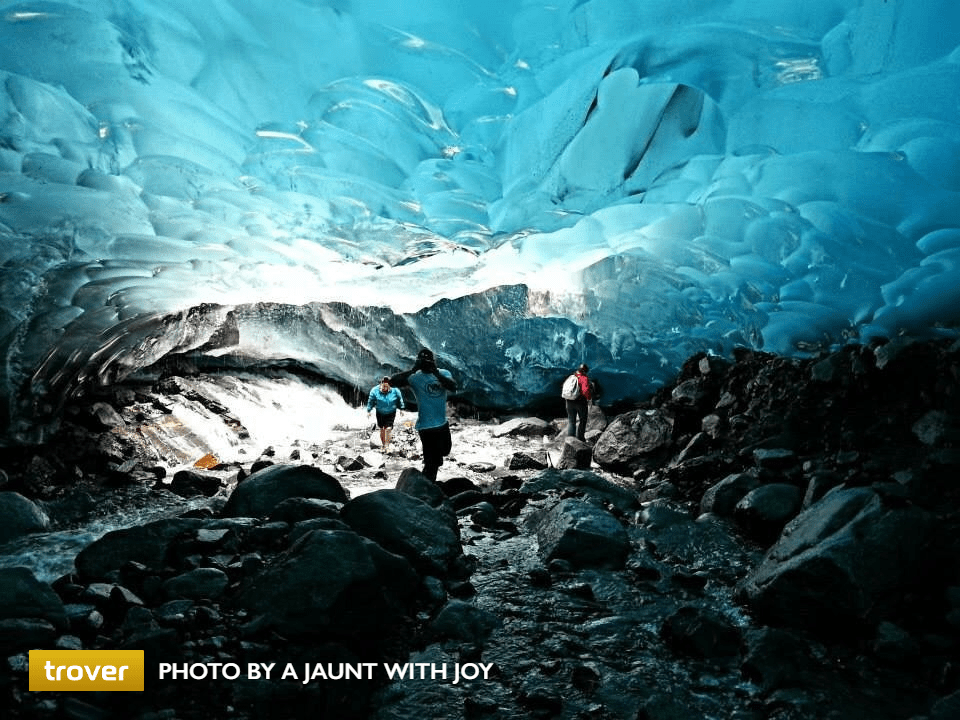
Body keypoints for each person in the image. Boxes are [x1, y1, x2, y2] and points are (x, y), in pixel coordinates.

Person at [390, 348, 457, 481]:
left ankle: (424, 484)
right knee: (433, 462)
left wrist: (435, 372)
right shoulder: (415, 377)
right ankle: (426, 487)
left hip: (442, 424)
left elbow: (453, 387)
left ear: (433, 361)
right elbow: (392, 382)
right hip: (426, 427)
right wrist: (413, 369)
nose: (426, 363)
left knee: (445, 451)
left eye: (428, 360)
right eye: (423, 361)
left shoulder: (443, 373)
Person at [366, 376, 405, 454]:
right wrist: (369, 410)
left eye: (387, 385)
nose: (385, 387)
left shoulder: (395, 391)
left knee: (388, 428)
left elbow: (400, 399)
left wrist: (401, 409)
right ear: (381, 384)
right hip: (380, 412)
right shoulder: (374, 390)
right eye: (384, 385)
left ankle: (387, 446)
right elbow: (371, 400)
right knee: (382, 429)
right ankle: (383, 445)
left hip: (391, 412)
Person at [565, 363, 593, 441]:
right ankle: (580, 438)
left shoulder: (572, 377)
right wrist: (589, 399)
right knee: (582, 420)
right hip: (580, 402)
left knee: (571, 421)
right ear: (585, 371)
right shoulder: (583, 378)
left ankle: (570, 440)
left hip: (569, 401)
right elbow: (585, 391)